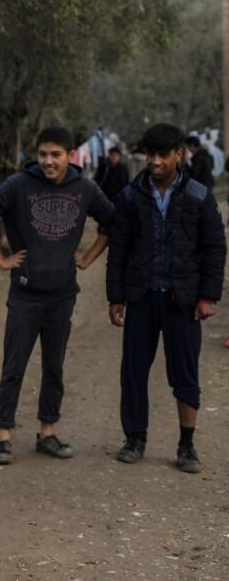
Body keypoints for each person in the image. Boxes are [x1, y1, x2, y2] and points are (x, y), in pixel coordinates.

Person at [0, 127, 115, 465]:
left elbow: (112, 222)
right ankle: (3, 436)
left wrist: (88, 258)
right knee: (13, 365)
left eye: (56, 155)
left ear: (69, 156)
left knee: (54, 366)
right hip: (25, 294)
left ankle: (47, 432)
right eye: (43, 155)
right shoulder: (19, 185)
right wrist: (1, 259)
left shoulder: (85, 188)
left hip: (62, 295)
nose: (48, 162)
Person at [107, 123, 225, 473]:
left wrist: (207, 296)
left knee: (185, 374)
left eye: (162, 154)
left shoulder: (199, 196)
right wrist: (116, 297)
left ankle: (186, 445)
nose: (155, 161)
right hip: (142, 298)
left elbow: (215, 248)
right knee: (133, 371)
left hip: (183, 300)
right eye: (150, 155)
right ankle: (134, 438)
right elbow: (120, 249)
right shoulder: (131, 196)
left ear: (179, 155)